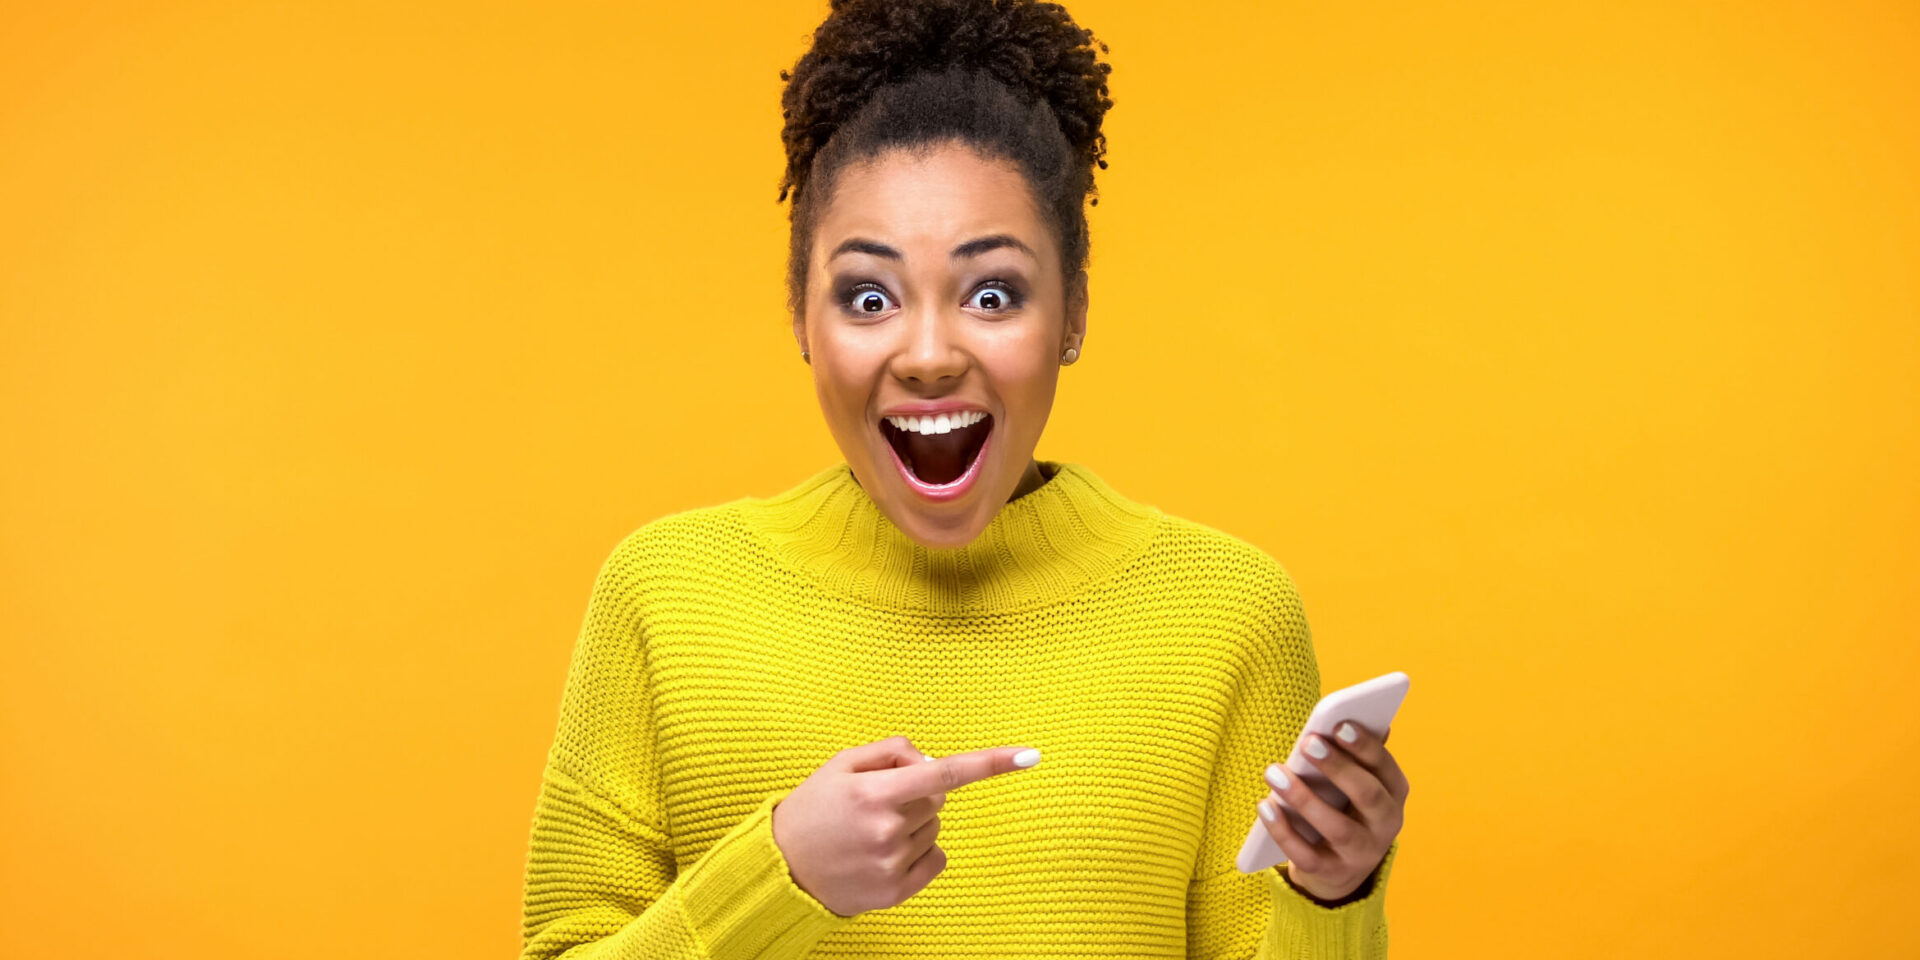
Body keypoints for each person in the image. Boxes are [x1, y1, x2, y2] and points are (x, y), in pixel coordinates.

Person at [517, 1, 1410, 957]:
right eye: (869, 296)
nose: (931, 355)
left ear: (1072, 310)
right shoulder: (667, 594)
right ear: (799, 315)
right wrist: (780, 874)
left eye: (992, 294)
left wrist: (1333, 898)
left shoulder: (1228, 616)